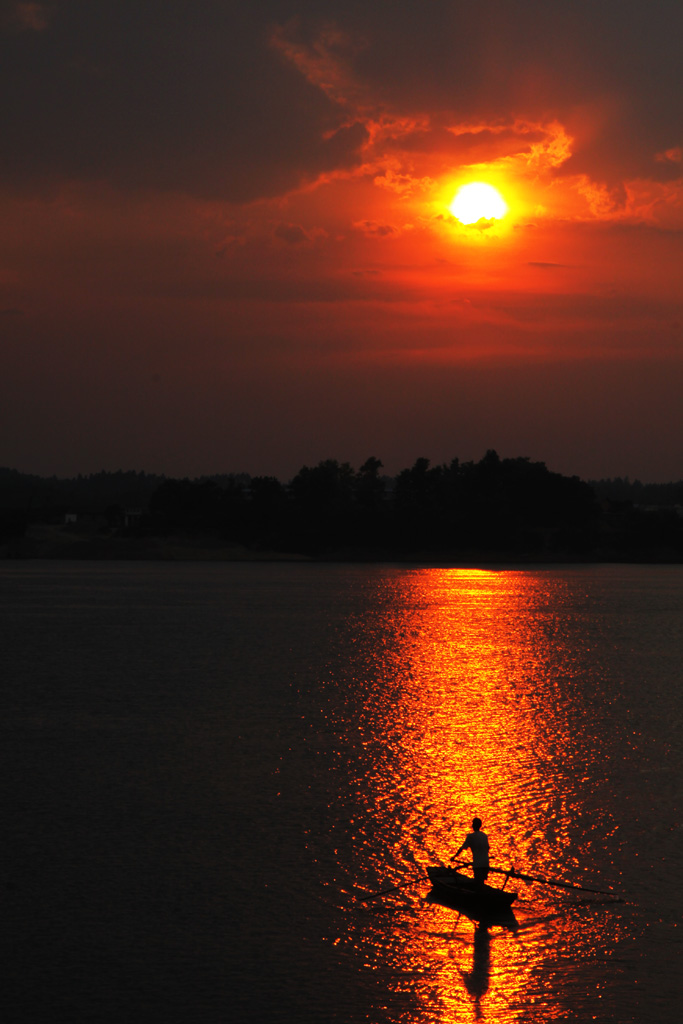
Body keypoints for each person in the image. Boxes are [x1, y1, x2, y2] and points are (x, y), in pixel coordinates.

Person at [454, 818, 490, 884]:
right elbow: (487, 848)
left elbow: (462, 848)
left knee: (478, 882)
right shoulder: (485, 836)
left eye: (472, 824)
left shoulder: (470, 837)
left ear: (473, 826)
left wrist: (454, 857)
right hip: (486, 864)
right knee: (481, 882)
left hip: (478, 865)